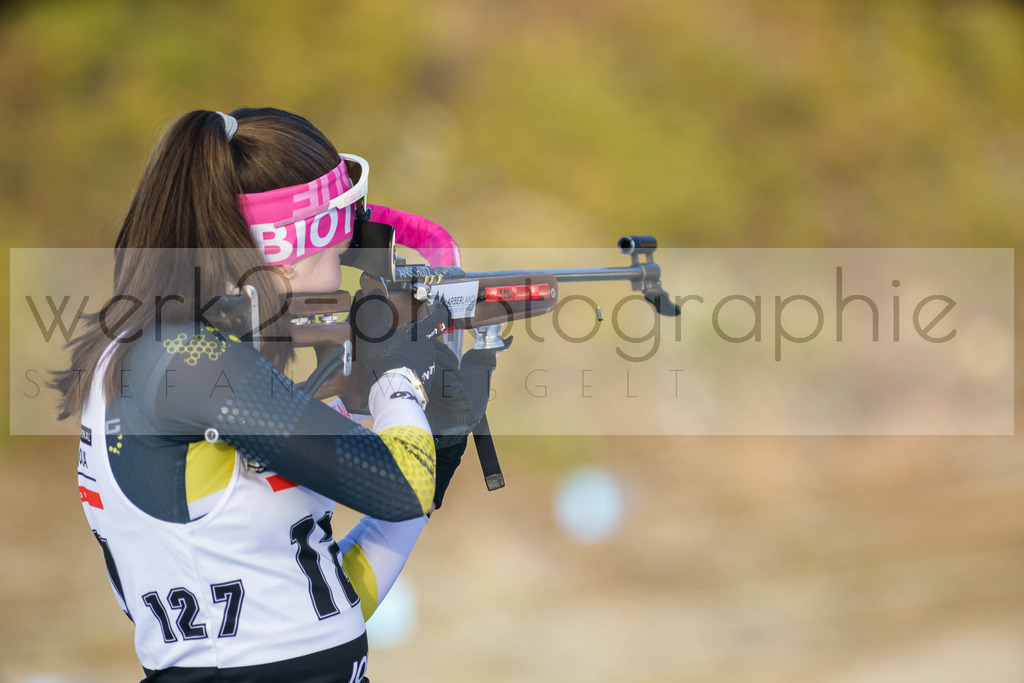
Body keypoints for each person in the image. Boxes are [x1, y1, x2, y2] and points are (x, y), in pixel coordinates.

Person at [52, 108, 489, 682]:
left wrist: (437, 428)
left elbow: (322, 604)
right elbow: (400, 484)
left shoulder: (170, 353)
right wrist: (398, 376)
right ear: (297, 243)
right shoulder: (186, 361)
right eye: (340, 236)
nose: (347, 257)